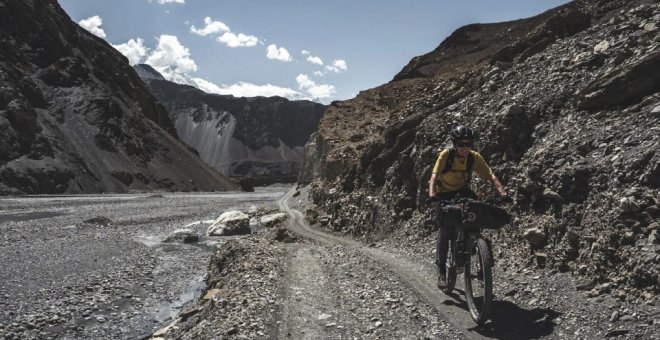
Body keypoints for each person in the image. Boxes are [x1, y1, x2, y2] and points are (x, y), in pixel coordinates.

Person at [428, 124, 508, 289]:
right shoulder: (446, 155)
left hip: (463, 192)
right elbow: (434, 176)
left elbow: (491, 176)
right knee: (444, 228)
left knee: (475, 215)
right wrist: (432, 196)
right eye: (461, 144)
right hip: (443, 193)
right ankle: (442, 270)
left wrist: (503, 193)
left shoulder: (474, 157)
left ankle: (474, 247)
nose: (465, 148)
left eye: (468, 144)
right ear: (455, 144)